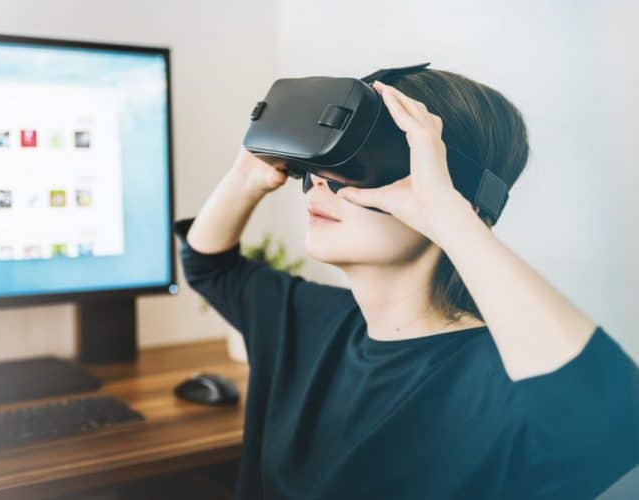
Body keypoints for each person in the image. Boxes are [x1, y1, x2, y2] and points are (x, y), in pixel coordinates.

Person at [172, 68, 639, 499]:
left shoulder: (501, 383)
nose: (320, 183)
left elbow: (613, 424)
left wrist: (449, 214)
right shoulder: (307, 322)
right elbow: (209, 266)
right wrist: (247, 176)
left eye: (355, 166)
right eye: (322, 165)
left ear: (453, 197)